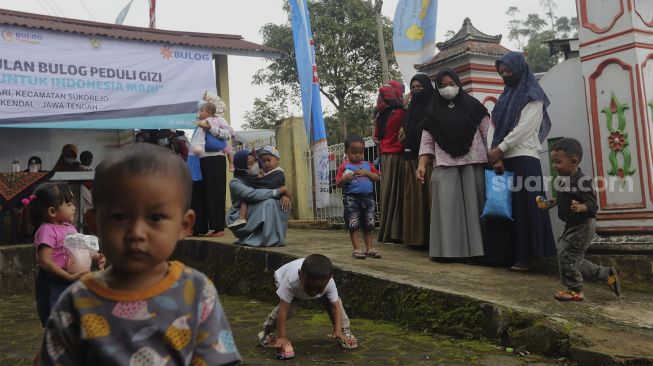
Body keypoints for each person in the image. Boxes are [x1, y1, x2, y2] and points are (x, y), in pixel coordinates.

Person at [39, 143, 242, 365]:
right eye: (119, 217)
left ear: (184, 225)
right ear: (94, 224)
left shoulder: (197, 292)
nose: (136, 233)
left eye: (155, 218)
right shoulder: (76, 303)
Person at [484, 51, 556, 271]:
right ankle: (506, 256)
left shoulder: (534, 95)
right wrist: (494, 153)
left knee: (527, 210)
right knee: (505, 209)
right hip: (503, 161)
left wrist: (501, 148)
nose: (506, 75)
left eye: (508, 71)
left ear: (520, 69)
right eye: (502, 72)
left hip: (525, 158)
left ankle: (526, 258)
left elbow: (525, 128)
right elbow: (492, 126)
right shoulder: (504, 99)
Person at [416, 68, 490, 259]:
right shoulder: (431, 112)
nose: (447, 88)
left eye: (451, 84)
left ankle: (478, 251)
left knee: (475, 207)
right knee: (447, 208)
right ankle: (449, 252)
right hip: (445, 163)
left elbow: (487, 134)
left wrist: (494, 158)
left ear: (459, 84)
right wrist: (422, 165)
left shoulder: (475, 107)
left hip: (473, 161)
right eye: (442, 86)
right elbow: (427, 141)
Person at [539, 138, 621, 301]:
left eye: (558, 162)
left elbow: (592, 205)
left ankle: (575, 289)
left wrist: (581, 207)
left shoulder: (583, 181)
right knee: (570, 257)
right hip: (572, 225)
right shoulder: (563, 179)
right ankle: (606, 274)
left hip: (583, 226)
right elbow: (562, 198)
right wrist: (550, 203)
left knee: (567, 256)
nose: (554, 166)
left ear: (574, 161)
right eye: (553, 162)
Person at [25, 181, 105, 326]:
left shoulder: (70, 228)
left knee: (73, 316)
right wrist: (68, 276)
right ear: (52, 211)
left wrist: (96, 256)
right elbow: (45, 261)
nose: (74, 207)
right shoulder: (47, 231)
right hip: (55, 281)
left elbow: (81, 249)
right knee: (58, 319)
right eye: (68, 204)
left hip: (72, 279)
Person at [258, 254, 358, 354]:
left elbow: (335, 307)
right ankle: (267, 332)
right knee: (289, 310)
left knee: (336, 304)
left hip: (306, 285)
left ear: (329, 279)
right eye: (309, 288)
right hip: (291, 285)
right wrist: (282, 337)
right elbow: (283, 310)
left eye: (318, 289)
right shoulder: (290, 281)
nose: (313, 292)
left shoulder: (329, 283)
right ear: (300, 275)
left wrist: (337, 330)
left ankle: (344, 331)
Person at [225, 149, 291, 246]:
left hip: (252, 210)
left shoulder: (259, 178)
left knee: (282, 202)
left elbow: (272, 186)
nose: (256, 165)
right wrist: (278, 191)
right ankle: (261, 238)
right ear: (241, 165)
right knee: (269, 203)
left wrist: (284, 195)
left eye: (255, 161)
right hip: (239, 218)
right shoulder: (235, 183)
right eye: (250, 163)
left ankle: (273, 237)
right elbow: (253, 194)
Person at [189, 99, 232, 237]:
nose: (199, 112)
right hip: (198, 159)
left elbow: (228, 134)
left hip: (215, 158)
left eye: (201, 110)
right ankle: (198, 227)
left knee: (215, 191)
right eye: (199, 110)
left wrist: (210, 128)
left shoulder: (219, 119)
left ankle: (218, 227)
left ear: (209, 111)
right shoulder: (198, 123)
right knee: (198, 192)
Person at [401, 73, 434, 247]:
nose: (416, 90)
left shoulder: (434, 106)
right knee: (415, 198)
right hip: (411, 157)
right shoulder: (411, 109)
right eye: (413, 88)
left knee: (429, 197)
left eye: (420, 87)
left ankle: (431, 238)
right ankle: (417, 239)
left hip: (428, 160)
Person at [336, 135, 382, 259]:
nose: (358, 155)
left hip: (368, 198)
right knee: (353, 224)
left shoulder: (368, 165)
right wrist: (344, 179)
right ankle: (357, 249)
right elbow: (338, 184)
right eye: (354, 152)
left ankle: (369, 248)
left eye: (361, 152)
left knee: (369, 224)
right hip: (351, 199)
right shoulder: (344, 167)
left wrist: (366, 173)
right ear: (346, 152)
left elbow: (377, 177)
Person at [374, 80, 406, 243]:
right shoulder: (401, 113)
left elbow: (376, 136)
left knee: (387, 194)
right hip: (399, 157)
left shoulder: (379, 113)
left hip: (385, 157)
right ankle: (399, 232)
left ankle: (388, 231)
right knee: (399, 194)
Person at [194, 103, 236, 171]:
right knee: (229, 150)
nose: (199, 112)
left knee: (229, 151)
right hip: (205, 155)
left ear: (208, 112)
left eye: (201, 111)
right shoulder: (203, 120)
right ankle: (231, 164)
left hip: (218, 153)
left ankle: (231, 164)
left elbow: (227, 131)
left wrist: (232, 133)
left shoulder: (216, 120)